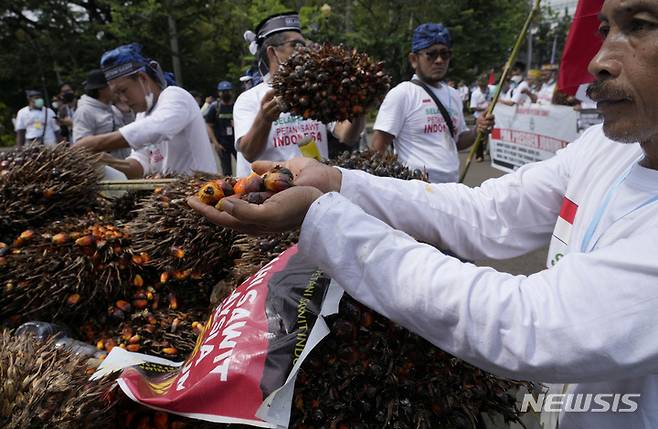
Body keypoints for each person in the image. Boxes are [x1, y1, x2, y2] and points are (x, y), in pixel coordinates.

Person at [189, 1, 658, 427]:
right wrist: (340, 183)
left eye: (640, 25)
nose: (599, 60)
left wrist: (323, 217)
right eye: (604, 29)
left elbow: (536, 323)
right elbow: (486, 211)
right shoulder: (604, 146)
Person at [233, 12, 366, 177]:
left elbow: (347, 136)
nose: (304, 52)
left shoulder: (316, 93)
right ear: (272, 52)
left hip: (316, 191)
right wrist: (265, 118)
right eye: (295, 45)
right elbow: (249, 154)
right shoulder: (248, 99)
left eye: (305, 45)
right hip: (270, 195)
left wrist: (361, 106)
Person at [371, 23, 494, 183]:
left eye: (445, 54)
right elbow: (377, 149)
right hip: (415, 193)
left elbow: (457, 141)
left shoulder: (454, 95)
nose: (439, 60)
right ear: (414, 59)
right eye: (431, 54)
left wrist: (477, 130)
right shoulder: (402, 94)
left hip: (452, 190)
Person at [76, 43, 218, 178]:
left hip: (200, 192)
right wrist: (107, 162)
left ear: (143, 78)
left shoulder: (175, 96)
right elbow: (140, 165)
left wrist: (95, 143)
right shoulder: (142, 116)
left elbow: (158, 128)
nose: (123, 99)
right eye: (117, 94)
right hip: (170, 197)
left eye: (123, 90)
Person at [73, 69, 130, 159]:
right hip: (106, 168)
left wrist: (127, 111)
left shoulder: (113, 108)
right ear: (101, 89)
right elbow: (81, 146)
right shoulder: (84, 111)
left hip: (126, 163)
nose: (115, 88)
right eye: (111, 84)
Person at [205, 81, 236, 176]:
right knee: (226, 172)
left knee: (244, 168)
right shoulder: (215, 107)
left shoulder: (237, 105)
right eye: (223, 92)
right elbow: (209, 125)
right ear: (219, 93)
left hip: (236, 143)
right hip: (222, 144)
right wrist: (216, 143)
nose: (226, 94)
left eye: (228, 91)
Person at [469, 74, 491, 162]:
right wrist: (485, 109)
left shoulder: (490, 90)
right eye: (481, 85)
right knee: (480, 136)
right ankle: (479, 155)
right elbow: (473, 107)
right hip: (479, 117)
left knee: (489, 136)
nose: (483, 87)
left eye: (484, 85)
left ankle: (489, 152)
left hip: (490, 116)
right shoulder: (475, 94)